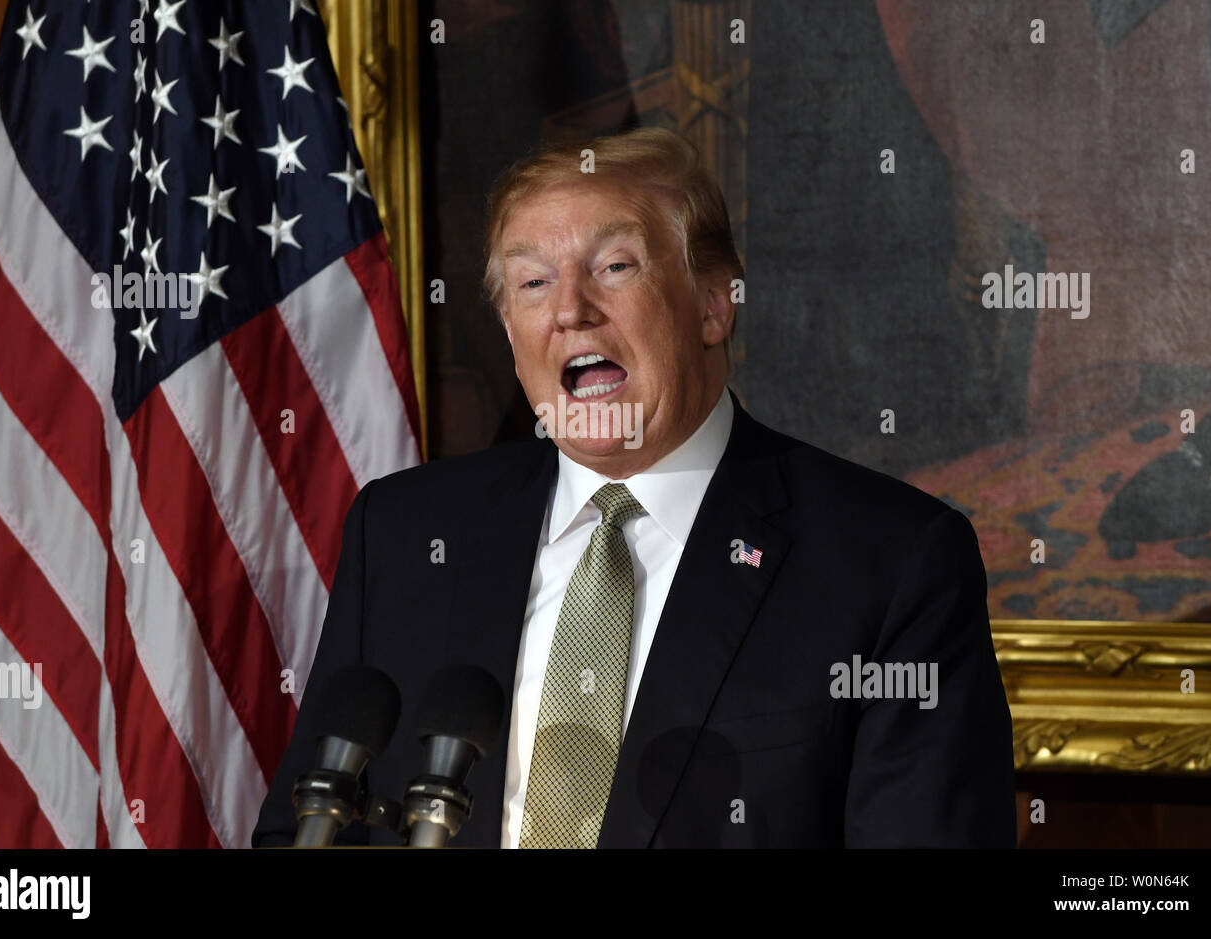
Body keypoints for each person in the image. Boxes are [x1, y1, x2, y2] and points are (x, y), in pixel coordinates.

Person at [253, 127, 1016, 848]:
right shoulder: (403, 532)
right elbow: (309, 824)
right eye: (532, 281)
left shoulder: (889, 563)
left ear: (715, 305)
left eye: (614, 268)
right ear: (509, 330)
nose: (569, 310)